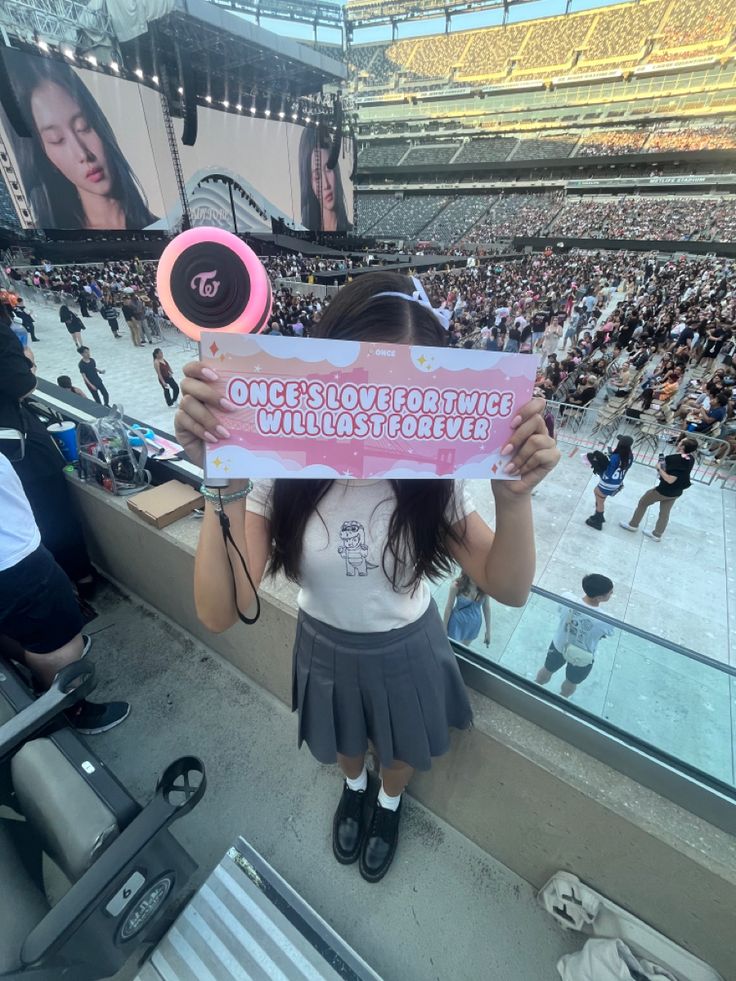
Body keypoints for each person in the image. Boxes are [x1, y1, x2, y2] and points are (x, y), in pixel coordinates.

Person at [174, 271, 560, 882]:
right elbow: (221, 610)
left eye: (403, 390)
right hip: (323, 641)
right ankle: (356, 789)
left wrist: (514, 502)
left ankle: (387, 802)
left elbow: (508, 586)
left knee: (401, 751)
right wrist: (219, 478)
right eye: (362, 381)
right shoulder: (280, 467)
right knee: (348, 743)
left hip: (407, 643)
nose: (376, 408)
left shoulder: (436, 477)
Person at [0, 452, 130, 733]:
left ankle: (36, 664)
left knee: (16, 622)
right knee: (59, 642)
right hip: (12, 559)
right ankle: (72, 708)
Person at [9, 54, 157, 229]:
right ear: (45, 156)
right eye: (57, 140)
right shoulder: (42, 240)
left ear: (99, 124)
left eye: (83, 127)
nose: (82, 154)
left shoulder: (161, 229)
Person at [535, 574, 614, 699]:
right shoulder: (606, 620)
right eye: (610, 592)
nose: (612, 593)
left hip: (559, 646)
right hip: (583, 657)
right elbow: (606, 634)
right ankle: (562, 699)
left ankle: (534, 687)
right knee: (571, 682)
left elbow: (560, 611)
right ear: (599, 597)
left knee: (547, 669)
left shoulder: (567, 598)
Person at [620, 436, 698, 541]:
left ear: (683, 446)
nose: (678, 443)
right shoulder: (690, 459)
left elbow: (670, 479)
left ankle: (633, 525)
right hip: (676, 492)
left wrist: (659, 468)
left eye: (681, 442)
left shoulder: (674, 459)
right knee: (664, 514)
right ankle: (657, 534)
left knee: (643, 503)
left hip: (664, 490)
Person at [298, 127, 350, 233]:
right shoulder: (300, 233)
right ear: (309, 183)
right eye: (317, 176)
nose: (326, 185)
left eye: (328, 169)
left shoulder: (352, 232)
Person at [585, 435, 634, 530]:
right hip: (617, 482)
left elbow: (609, 473)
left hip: (608, 483)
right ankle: (598, 515)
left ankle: (598, 521)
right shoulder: (630, 456)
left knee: (600, 500)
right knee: (598, 494)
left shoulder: (616, 457)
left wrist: (601, 472)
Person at [443, 573, 491, 647]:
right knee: (451, 648)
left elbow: (486, 608)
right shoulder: (457, 586)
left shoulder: (484, 587)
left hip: (473, 625)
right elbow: (449, 607)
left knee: (464, 649)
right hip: (456, 624)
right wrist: (444, 627)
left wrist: (488, 631)